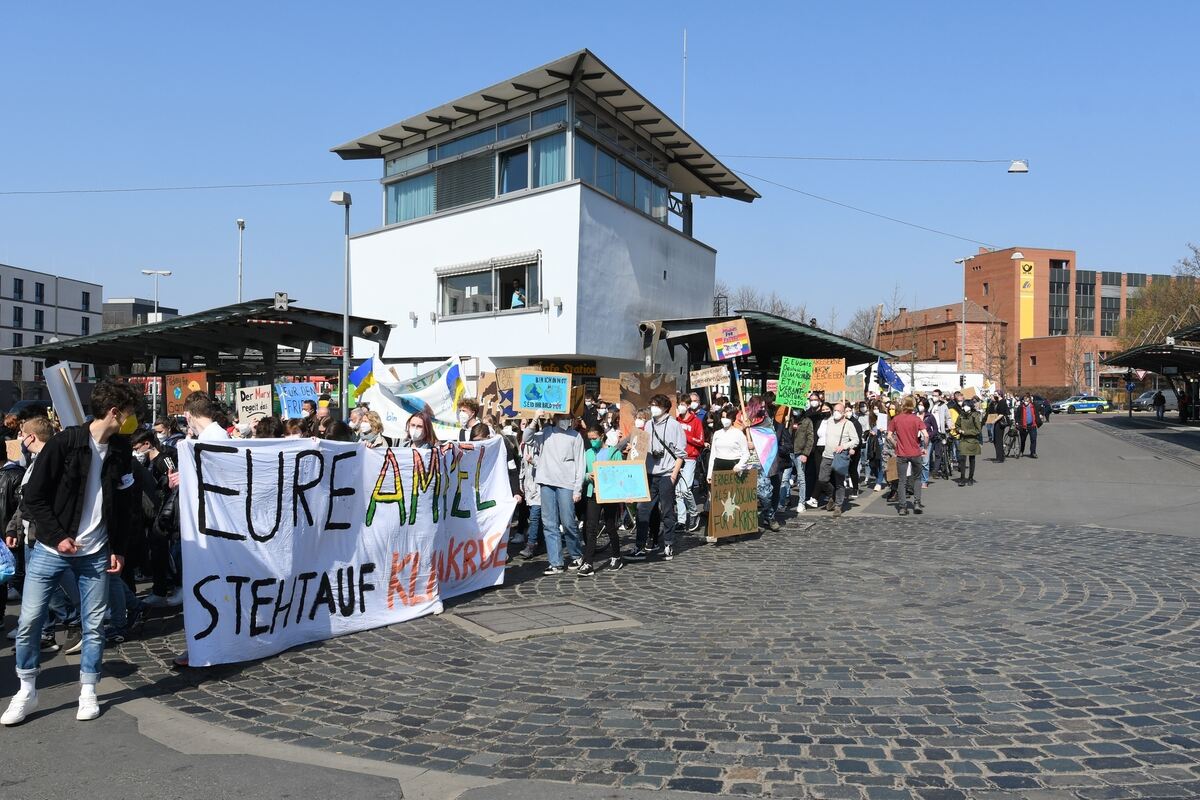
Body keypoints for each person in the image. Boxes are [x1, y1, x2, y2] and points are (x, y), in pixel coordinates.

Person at [3, 379, 141, 725]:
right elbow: (33, 496)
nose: (131, 420)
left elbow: (125, 504)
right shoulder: (66, 443)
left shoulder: (121, 450)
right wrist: (58, 536)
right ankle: (26, 690)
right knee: (29, 621)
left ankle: (88, 690)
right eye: (129, 413)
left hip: (96, 552)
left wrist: (119, 548)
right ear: (115, 412)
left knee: (94, 625)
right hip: (50, 549)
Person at [631, 395, 685, 561]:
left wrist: (673, 475)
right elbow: (643, 447)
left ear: (664, 408)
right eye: (651, 405)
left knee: (667, 510)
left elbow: (681, 453)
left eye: (656, 405)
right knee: (642, 510)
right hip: (650, 473)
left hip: (667, 474)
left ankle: (668, 543)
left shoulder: (675, 425)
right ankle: (639, 546)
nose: (652, 408)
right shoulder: (649, 424)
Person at [531, 414, 585, 574]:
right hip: (547, 482)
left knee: (568, 522)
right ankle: (556, 562)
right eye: (562, 417)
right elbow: (527, 438)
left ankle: (576, 554)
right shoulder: (546, 432)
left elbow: (580, 462)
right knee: (549, 524)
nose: (565, 420)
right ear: (555, 418)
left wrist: (577, 488)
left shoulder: (575, 436)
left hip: (566, 483)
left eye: (568, 417)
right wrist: (534, 419)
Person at [578, 425, 623, 576]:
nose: (592, 441)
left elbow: (620, 472)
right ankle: (588, 562)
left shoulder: (614, 452)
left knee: (610, 526)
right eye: (590, 439)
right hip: (593, 493)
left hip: (609, 494)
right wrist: (587, 476)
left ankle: (616, 556)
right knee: (591, 527)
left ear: (602, 436)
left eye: (594, 438)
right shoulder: (588, 453)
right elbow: (582, 473)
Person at [815, 403, 860, 517]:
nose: (836, 412)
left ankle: (838, 506)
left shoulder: (848, 424)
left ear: (843, 412)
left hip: (839, 457)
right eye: (835, 410)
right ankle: (833, 495)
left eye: (839, 411)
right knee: (822, 479)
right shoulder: (829, 421)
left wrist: (844, 446)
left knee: (839, 482)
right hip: (827, 455)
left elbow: (855, 440)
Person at [887, 396, 927, 516]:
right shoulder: (916, 419)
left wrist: (896, 445)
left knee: (902, 480)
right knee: (917, 478)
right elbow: (926, 435)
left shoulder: (896, 419)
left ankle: (902, 507)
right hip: (915, 452)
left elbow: (889, 436)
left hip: (902, 453)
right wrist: (924, 448)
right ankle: (917, 503)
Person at [674, 394, 705, 533]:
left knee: (686, 489)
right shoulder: (676, 420)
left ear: (687, 406)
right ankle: (681, 520)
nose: (680, 407)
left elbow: (700, 441)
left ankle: (693, 513)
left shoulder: (696, 421)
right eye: (679, 404)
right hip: (676, 458)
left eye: (682, 404)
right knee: (678, 492)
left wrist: (686, 436)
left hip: (690, 458)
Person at [955, 399, 983, 486]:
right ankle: (962, 478)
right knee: (962, 459)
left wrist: (966, 432)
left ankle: (970, 478)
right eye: (964, 405)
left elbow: (978, 430)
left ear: (970, 406)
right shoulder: (961, 415)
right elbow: (957, 425)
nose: (965, 407)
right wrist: (959, 430)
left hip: (972, 440)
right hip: (963, 440)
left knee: (972, 459)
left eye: (966, 405)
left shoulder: (975, 415)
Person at [1015, 392, 1041, 458]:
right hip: (1023, 426)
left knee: (1033, 439)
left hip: (1032, 425)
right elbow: (1017, 415)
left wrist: (1041, 414)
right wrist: (1017, 422)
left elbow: (1041, 408)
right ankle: (1021, 451)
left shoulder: (1034, 405)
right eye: (1024, 400)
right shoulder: (1021, 407)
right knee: (1023, 440)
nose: (1025, 401)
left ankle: (1033, 452)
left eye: (1027, 400)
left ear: (1029, 400)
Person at [990, 392, 1010, 463]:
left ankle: (1000, 458)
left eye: (995, 394)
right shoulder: (997, 402)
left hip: (1000, 423)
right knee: (996, 440)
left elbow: (1001, 414)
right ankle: (1000, 455)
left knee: (998, 440)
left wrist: (994, 420)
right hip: (997, 422)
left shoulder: (1002, 402)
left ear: (999, 395)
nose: (994, 395)